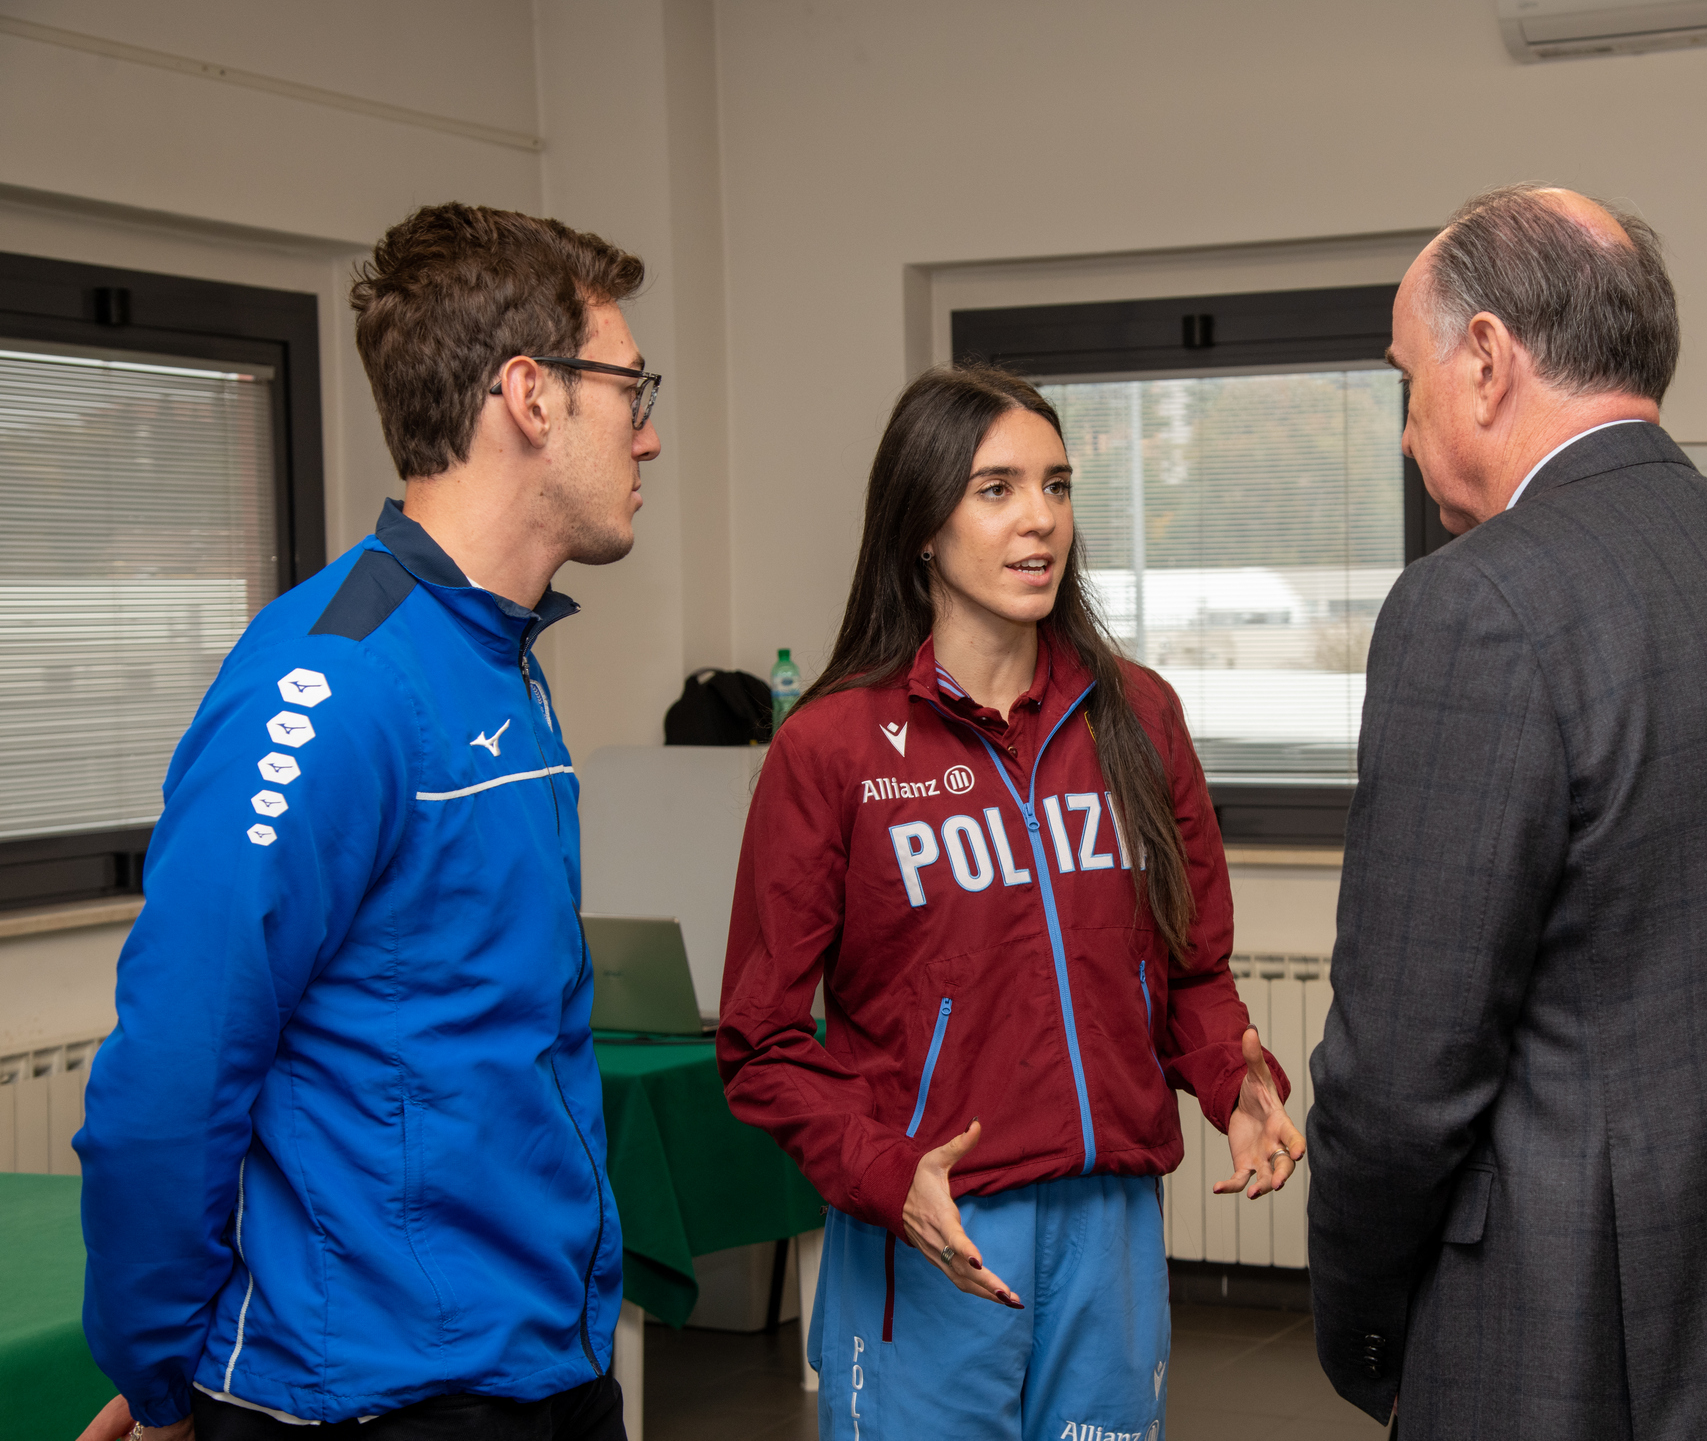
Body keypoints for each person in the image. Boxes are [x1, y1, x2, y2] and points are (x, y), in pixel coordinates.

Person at [1305, 185, 1707, 1439]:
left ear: (1484, 359)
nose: (1406, 430)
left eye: (1405, 380)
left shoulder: (1474, 604)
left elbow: (1397, 1081)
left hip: (1575, 1340)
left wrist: (1371, 1333)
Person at [73, 203, 661, 1440]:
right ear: (530, 396)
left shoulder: (495, 656)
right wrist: (157, 1373)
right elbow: (175, 1066)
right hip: (371, 1397)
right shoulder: (333, 681)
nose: (647, 432)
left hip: (537, 1365)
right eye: (628, 387)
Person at [715, 363, 1303, 1440]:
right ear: (920, 525)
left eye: (1057, 485)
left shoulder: (1140, 717)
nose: (1040, 519)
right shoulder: (831, 749)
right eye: (996, 489)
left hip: (1110, 1226)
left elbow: (1190, 969)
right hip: (933, 1225)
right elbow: (761, 1041)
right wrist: (884, 1172)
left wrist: (1234, 1080)